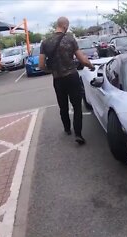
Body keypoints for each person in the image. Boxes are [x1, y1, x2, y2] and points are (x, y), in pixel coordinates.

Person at [39, 16, 95, 145]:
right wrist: (91, 66)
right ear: (64, 26)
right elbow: (83, 60)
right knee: (77, 106)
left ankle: (66, 129)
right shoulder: (70, 39)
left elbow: (41, 65)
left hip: (57, 79)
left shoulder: (45, 42)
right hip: (72, 76)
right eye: (67, 26)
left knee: (62, 105)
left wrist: (51, 71)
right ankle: (78, 134)